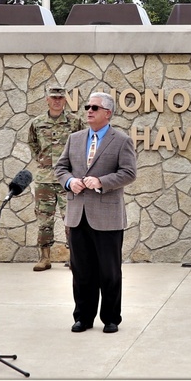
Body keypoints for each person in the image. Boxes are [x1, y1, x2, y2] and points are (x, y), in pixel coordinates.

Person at [55, 92, 137, 333]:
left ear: (108, 113)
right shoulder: (75, 139)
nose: (88, 110)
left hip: (107, 218)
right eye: (87, 106)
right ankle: (83, 317)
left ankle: (111, 318)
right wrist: (70, 182)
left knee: (109, 271)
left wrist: (100, 181)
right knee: (81, 270)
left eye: (94, 107)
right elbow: (61, 167)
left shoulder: (121, 140)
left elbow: (129, 173)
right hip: (77, 214)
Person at [25, 85, 84, 272]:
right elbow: (33, 144)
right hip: (45, 179)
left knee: (71, 220)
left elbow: (83, 145)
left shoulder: (75, 123)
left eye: (60, 98)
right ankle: (44, 258)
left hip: (68, 178)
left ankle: (75, 257)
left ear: (65, 100)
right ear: (47, 100)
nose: (57, 100)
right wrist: (43, 162)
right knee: (44, 220)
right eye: (53, 97)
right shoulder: (37, 123)